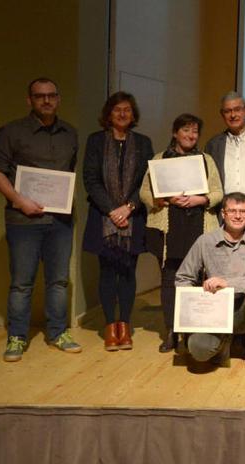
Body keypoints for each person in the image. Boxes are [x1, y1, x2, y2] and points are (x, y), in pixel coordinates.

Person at [0, 77, 82, 361]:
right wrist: (20, 201)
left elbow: (68, 173)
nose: (46, 100)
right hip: (23, 221)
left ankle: (58, 332)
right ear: (29, 100)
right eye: (39, 96)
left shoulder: (70, 133)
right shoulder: (11, 132)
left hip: (60, 221)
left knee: (58, 280)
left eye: (51, 95)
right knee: (22, 282)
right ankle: (17, 337)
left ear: (58, 98)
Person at [140, 113, 223, 353]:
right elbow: (145, 192)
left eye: (195, 131)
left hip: (198, 226)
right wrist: (161, 199)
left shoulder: (206, 159)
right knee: (170, 281)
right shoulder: (160, 158)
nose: (190, 135)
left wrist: (201, 199)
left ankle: (193, 331)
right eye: (186, 130)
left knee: (198, 281)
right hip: (168, 230)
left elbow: (218, 191)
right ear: (175, 133)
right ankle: (171, 331)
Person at [82, 91, 153, 351]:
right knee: (108, 272)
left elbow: (147, 179)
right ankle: (110, 326)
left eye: (127, 110)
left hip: (133, 218)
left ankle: (125, 325)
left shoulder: (144, 142)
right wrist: (113, 210)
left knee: (128, 272)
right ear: (108, 114)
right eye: (117, 110)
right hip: (103, 218)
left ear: (133, 115)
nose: (122, 114)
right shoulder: (95, 141)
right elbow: (90, 179)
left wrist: (129, 207)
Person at [175, 192, 245, 378]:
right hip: (214, 313)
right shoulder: (205, 241)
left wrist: (227, 283)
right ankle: (225, 342)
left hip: (244, 311)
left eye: (243, 211)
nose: (238, 216)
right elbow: (183, 277)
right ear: (223, 214)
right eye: (232, 211)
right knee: (198, 350)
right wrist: (195, 304)